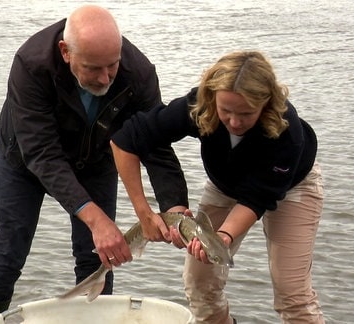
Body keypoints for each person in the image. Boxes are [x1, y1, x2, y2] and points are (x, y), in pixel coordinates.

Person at [0, 5, 188, 323]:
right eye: (93, 68)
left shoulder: (138, 73)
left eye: (112, 66)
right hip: (25, 161)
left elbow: (154, 144)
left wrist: (175, 207)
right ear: (65, 52)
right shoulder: (31, 64)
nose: (105, 78)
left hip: (96, 161)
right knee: (9, 250)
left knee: (98, 255)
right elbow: (42, 154)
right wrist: (96, 220)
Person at [111, 51, 325, 323]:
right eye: (226, 111)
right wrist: (145, 214)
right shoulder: (198, 105)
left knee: (291, 293)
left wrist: (222, 236)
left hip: (294, 186)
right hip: (226, 184)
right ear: (212, 98)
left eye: (246, 113)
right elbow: (125, 140)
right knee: (199, 283)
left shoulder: (288, 131)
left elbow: (256, 199)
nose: (234, 123)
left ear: (267, 103)